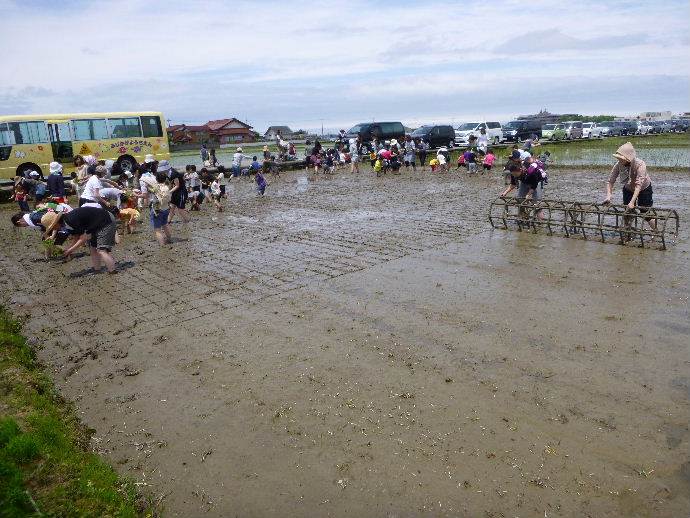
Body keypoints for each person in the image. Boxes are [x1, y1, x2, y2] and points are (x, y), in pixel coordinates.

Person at [44, 205, 119, 274]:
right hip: (95, 225)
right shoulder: (66, 222)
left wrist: (70, 250)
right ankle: (97, 269)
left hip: (106, 221)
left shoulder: (70, 220)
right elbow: (76, 237)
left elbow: (83, 238)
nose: (54, 229)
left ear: (56, 223)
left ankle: (113, 271)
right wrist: (68, 249)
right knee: (93, 248)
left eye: (53, 227)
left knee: (102, 250)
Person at [604, 142, 656, 232]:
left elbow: (638, 186)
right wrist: (608, 196)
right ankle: (628, 232)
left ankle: (656, 231)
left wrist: (632, 202)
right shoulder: (618, 165)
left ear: (628, 159)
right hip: (628, 188)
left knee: (645, 212)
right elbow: (610, 181)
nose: (619, 160)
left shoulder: (640, 165)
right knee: (627, 212)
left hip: (644, 188)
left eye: (621, 159)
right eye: (618, 158)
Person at [140, 162, 173, 245]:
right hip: (166, 209)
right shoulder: (166, 187)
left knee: (157, 229)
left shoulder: (156, 187)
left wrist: (144, 185)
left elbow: (148, 191)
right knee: (165, 224)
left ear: (157, 180)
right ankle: (169, 239)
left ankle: (162, 245)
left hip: (157, 209)